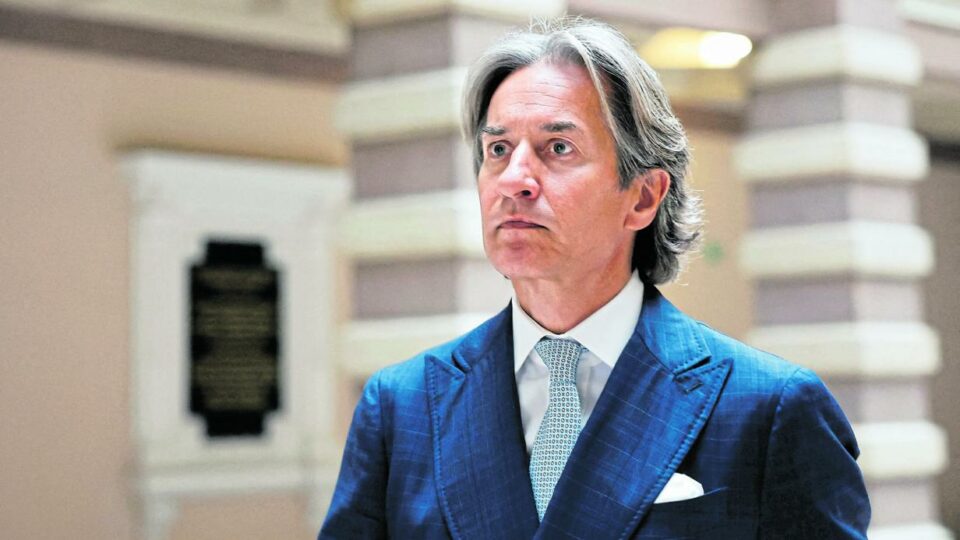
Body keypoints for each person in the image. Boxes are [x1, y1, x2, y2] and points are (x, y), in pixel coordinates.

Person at [320, 17, 870, 539]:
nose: (514, 180)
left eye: (558, 148)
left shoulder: (770, 408)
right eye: (498, 149)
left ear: (643, 196)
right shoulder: (400, 407)